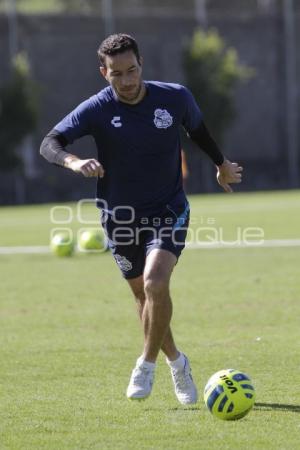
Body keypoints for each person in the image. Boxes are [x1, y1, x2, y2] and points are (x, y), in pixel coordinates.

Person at [40, 33, 242, 404]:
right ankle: (178, 363)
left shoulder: (175, 96)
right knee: (143, 295)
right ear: (104, 72)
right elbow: (50, 142)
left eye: (132, 70)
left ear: (141, 63)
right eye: (117, 74)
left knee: (154, 281)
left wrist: (221, 164)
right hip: (120, 216)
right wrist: (73, 161)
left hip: (169, 208)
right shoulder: (96, 108)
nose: (128, 80)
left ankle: (145, 364)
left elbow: (197, 129)